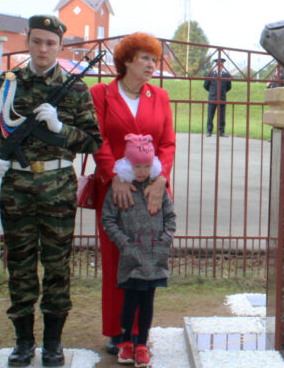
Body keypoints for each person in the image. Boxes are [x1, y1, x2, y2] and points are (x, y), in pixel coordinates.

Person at [0, 15, 102, 367]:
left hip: (58, 189)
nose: (42, 49)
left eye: (50, 43)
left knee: (57, 267)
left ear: (59, 47)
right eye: (36, 42)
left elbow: (93, 141)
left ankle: (54, 344)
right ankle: (23, 342)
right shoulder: (7, 83)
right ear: (27, 43)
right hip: (16, 188)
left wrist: (60, 128)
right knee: (20, 265)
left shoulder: (75, 89)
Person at [90, 32, 176, 355]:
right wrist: (115, 176)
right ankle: (117, 330)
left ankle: (139, 334)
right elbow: (96, 138)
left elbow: (167, 144)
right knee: (117, 259)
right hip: (115, 191)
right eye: (145, 58)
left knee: (148, 258)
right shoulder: (101, 94)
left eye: (155, 59)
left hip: (151, 193)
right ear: (126, 60)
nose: (153, 65)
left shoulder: (160, 97)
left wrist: (160, 181)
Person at [101, 134, 175, 367]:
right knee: (130, 302)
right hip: (131, 259)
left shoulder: (158, 189)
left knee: (147, 302)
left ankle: (142, 344)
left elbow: (170, 218)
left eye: (146, 165)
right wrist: (124, 243)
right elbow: (108, 220)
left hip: (155, 258)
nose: (142, 171)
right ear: (127, 164)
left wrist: (164, 240)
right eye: (137, 166)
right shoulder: (120, 189)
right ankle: (125, 344)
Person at [204, 58, 232, 137]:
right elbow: (206, 85)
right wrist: (212, 91)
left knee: (222, 116)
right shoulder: (211, 74)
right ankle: (209, 131)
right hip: (212, 98)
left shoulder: (226, 75)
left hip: (222, 98)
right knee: (210, 115)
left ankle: (221, 131)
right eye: (218, 64)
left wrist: (222, 92)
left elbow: (229, 87)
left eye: (221, 65)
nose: (219, 66)